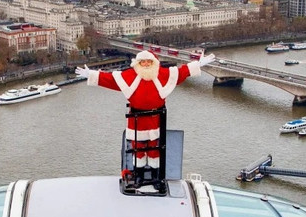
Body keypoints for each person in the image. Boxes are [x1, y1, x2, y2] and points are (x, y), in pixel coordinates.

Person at [75, 50, 215, 172]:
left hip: (155, 117)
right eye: (143, 62)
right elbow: (110, 79)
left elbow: (181, 72)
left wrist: (199, 64)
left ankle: (154, 171)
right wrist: (91, 75)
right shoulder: (129, 75)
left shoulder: (163, 74)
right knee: (138, 146)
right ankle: (139, 172)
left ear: (154, 63)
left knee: (154, 145)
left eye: (149, 62)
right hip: (137, 118)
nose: (146, 64)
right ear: (138, 64)